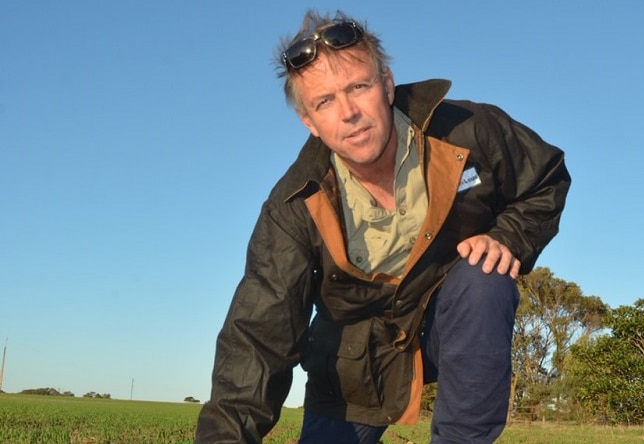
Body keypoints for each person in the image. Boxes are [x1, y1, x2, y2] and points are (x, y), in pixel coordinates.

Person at [195, 9, 570, 444]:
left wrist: (510, 237)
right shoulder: (293, 206)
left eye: (359, 86)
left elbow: (546, 178)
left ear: (387, 85)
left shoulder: (470, 131)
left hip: (453, 323)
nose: (349, 113)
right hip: (353, 365)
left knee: (484, 280)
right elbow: (258, 335)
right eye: (324, 102)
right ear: (309, 123)